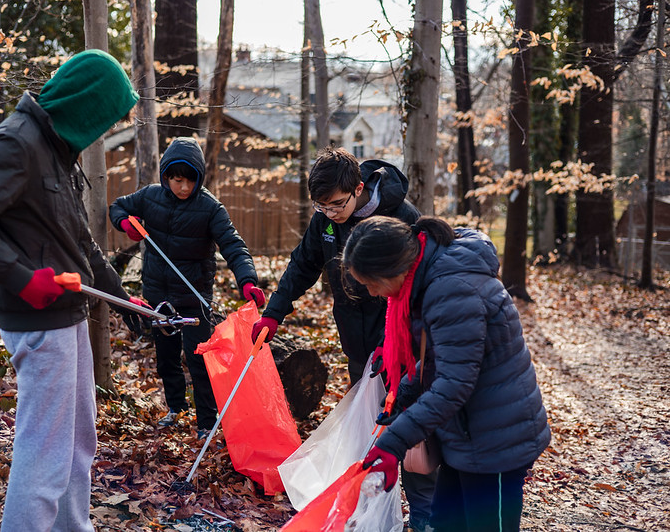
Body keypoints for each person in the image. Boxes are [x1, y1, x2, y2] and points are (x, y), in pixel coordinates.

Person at [0, 50, 144, 532]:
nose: (105, 130)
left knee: (76, 444)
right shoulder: (18, 143)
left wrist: (125, 297)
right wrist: (24, 278)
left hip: (70, 316)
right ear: (85, 104)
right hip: (39, 324)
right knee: (45, 456)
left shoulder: (58, 150)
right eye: (105, 118)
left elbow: (78, 241)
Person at [250, 147, 432, 531]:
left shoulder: (402, 218)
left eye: (335, 205)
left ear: (359, 189)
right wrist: (273, 313)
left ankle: (422, 514)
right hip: (355, 339)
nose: (330, 214)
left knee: (408, 430)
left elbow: (418, 291)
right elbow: (303, 264)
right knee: (368, 429)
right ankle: (369, 511)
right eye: (321, 207)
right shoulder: (325, 221)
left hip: (401, 346)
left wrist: (395, 341)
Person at [344, 216, 551, 532]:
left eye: (372, 283)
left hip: (496, 440)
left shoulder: (451, 290)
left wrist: (395, 442)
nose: (373, 293)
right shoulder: (429, 281)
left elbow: (454, 384)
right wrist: (400, 401)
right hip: (466, 435)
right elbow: (436, 362)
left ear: (394, 269)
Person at [109, 136, 264, 440]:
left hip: (193, 296)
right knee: (166, 355)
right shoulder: (151, 196)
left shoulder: (209, 208)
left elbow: (233, 245)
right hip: (158, 293)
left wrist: (247, 279)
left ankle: (206, 420)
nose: (182, 187)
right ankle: (175, 407)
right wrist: (125, 223)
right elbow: (117, 207)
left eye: (189, 181)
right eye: (176, 179)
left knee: (198, 356)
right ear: (166, 177)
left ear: (199, 179)